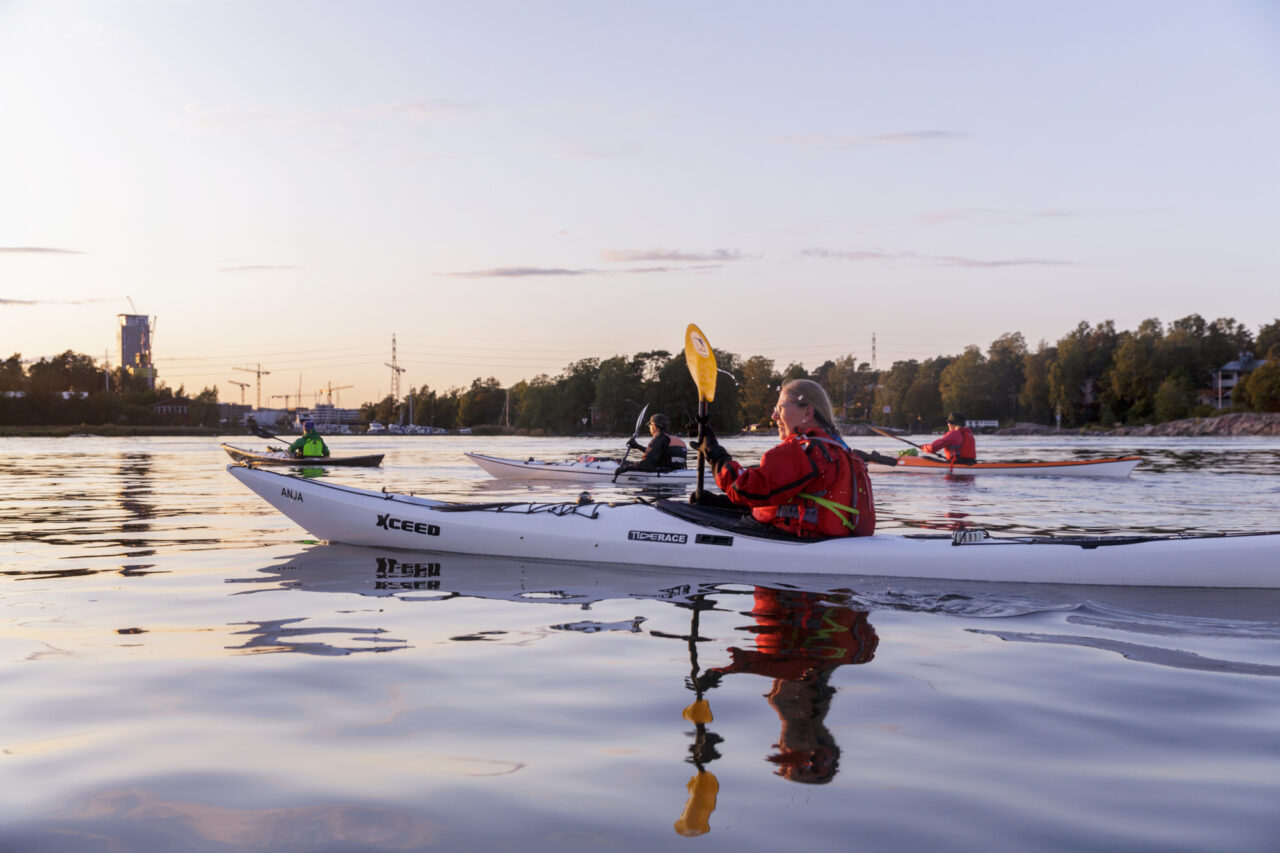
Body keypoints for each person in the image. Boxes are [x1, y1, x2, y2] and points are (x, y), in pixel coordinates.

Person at [695, 379, 875, 538]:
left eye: (780, 409)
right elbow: (785, 498)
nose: (774, 416)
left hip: (796, 540)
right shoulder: (838, 448)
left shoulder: (803, 450)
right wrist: (724, 504)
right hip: (824, 538)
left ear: (807, 413)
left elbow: (742, 488)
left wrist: (715, 454)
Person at [617, 413, 688, 474]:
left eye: (650, 425)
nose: (650, 428)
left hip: (662, 473)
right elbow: (659, 454)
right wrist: (638, 446)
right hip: (678, 472)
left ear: (654, 426)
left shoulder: (658, 439)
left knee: (621, 462)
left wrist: (624, 469)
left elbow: (647, 465)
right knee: (623, 462)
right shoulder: (676, 439)